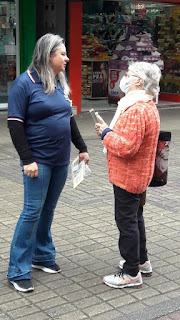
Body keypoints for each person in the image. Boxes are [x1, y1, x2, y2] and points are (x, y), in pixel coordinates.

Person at [7, 33, 89, 292]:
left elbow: (69, 118)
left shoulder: (59, 82)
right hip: (37, 162)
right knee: (32, 212)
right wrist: (27, 159)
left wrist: (82, 148)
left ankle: (41, 256)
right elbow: (15, 124)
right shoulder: (24, 84)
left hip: (60, 161)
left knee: (48, 210)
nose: (67, 58)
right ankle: (17, 269)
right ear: (47, 55)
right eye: (62, 53)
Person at [95, 61, 161, 289]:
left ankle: (131, 272)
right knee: (135, 218)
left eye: (129, 74)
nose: (124, 76)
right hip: (138, 175)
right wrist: (110, 130)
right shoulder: (145, 105)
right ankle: (141, 262)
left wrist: (105, 133)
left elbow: (127, 147)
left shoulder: (137, 108)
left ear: (138, 81)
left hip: (129, 176)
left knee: (127, 222)